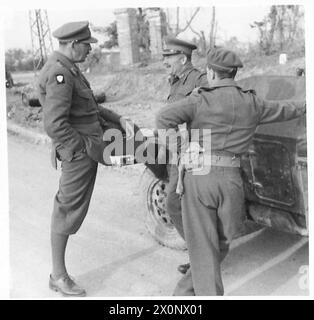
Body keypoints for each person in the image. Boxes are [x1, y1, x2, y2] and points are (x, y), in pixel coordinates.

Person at [155, 47, 306, 295]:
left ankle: (186, 294)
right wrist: (305, 105)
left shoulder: (200, 99)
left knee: (205, 246)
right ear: (234, 73)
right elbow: (286, 109)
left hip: (200, 177)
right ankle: (186, 292)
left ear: (211, 73)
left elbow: (163, 118)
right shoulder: (252, 102)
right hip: (232, 180)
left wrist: (180, 150)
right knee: (223, 241)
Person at [37, 21, 131, 297]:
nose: (90, 50)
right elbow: (55, 124)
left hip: (96, 139)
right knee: (67, 208)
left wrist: (119, 119)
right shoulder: (59, 74)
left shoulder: (69, 69)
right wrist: (81, 148)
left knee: (147, 146)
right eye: (86, 45)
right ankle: (58, 276)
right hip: (81, 151)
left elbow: (89, 106)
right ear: (72, 44)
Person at [162, 36, 207, 275]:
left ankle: (203, 256)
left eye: (168, 58)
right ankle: (199, 253)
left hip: (193, 152)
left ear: (182, 58)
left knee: (186, 204)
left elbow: (207, 115)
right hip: (177, 151)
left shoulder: (200, 79)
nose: (164, 62)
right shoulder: (176, 80)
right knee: (176, 203)